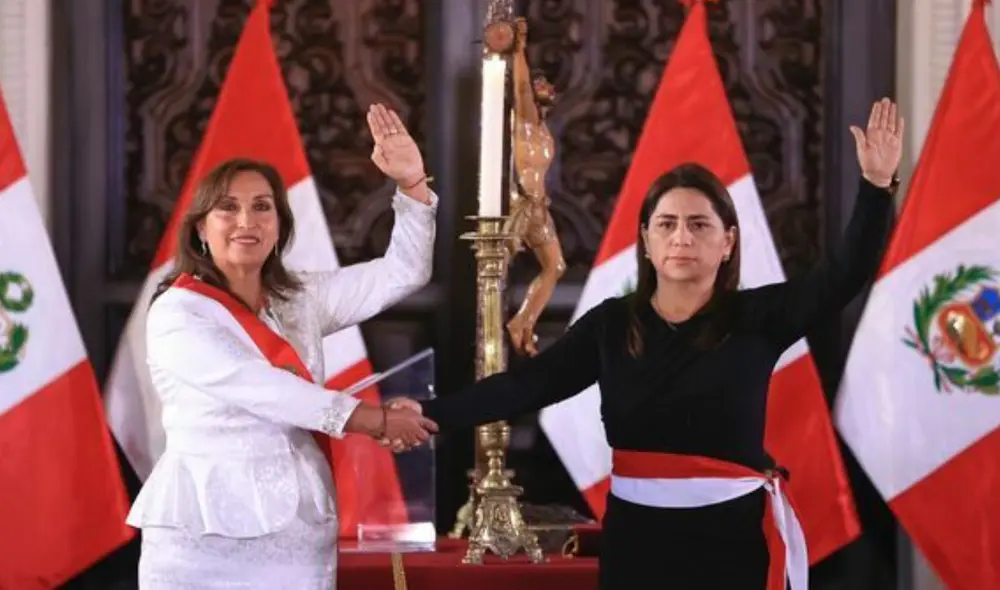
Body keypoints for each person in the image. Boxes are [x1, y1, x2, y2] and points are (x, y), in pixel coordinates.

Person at [411, 98, 903, 589]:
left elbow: (845, 275)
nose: (681, 237)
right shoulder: (611, 325)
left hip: (732, 547)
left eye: (699, 224)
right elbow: (525, 387)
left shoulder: (759, 317)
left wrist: (876, 186)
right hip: (638, 545)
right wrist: (426, 415)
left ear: (728, 242)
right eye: (667, 224)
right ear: (646, 240)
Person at [126, 103, 440, 590]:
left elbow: (403, 273)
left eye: (262, 206)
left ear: (279, 225)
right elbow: (263, 388)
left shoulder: (300, 299)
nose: (246, 220)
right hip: (202, 535)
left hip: (298, 532)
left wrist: (412, 185)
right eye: (227, 207)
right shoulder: (178, 312)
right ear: (201, 228)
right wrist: (374, 420)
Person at [504, 17, 567, 355]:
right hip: (521, 205)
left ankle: (524, 322)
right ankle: (495, 328)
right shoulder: (524, 121)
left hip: (539, 207)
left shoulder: (543, 130)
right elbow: (521, 87)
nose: (548, 88)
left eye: (549, 85)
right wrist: (519, 48)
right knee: (497, 268)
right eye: (541, 83)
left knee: (556, 266)